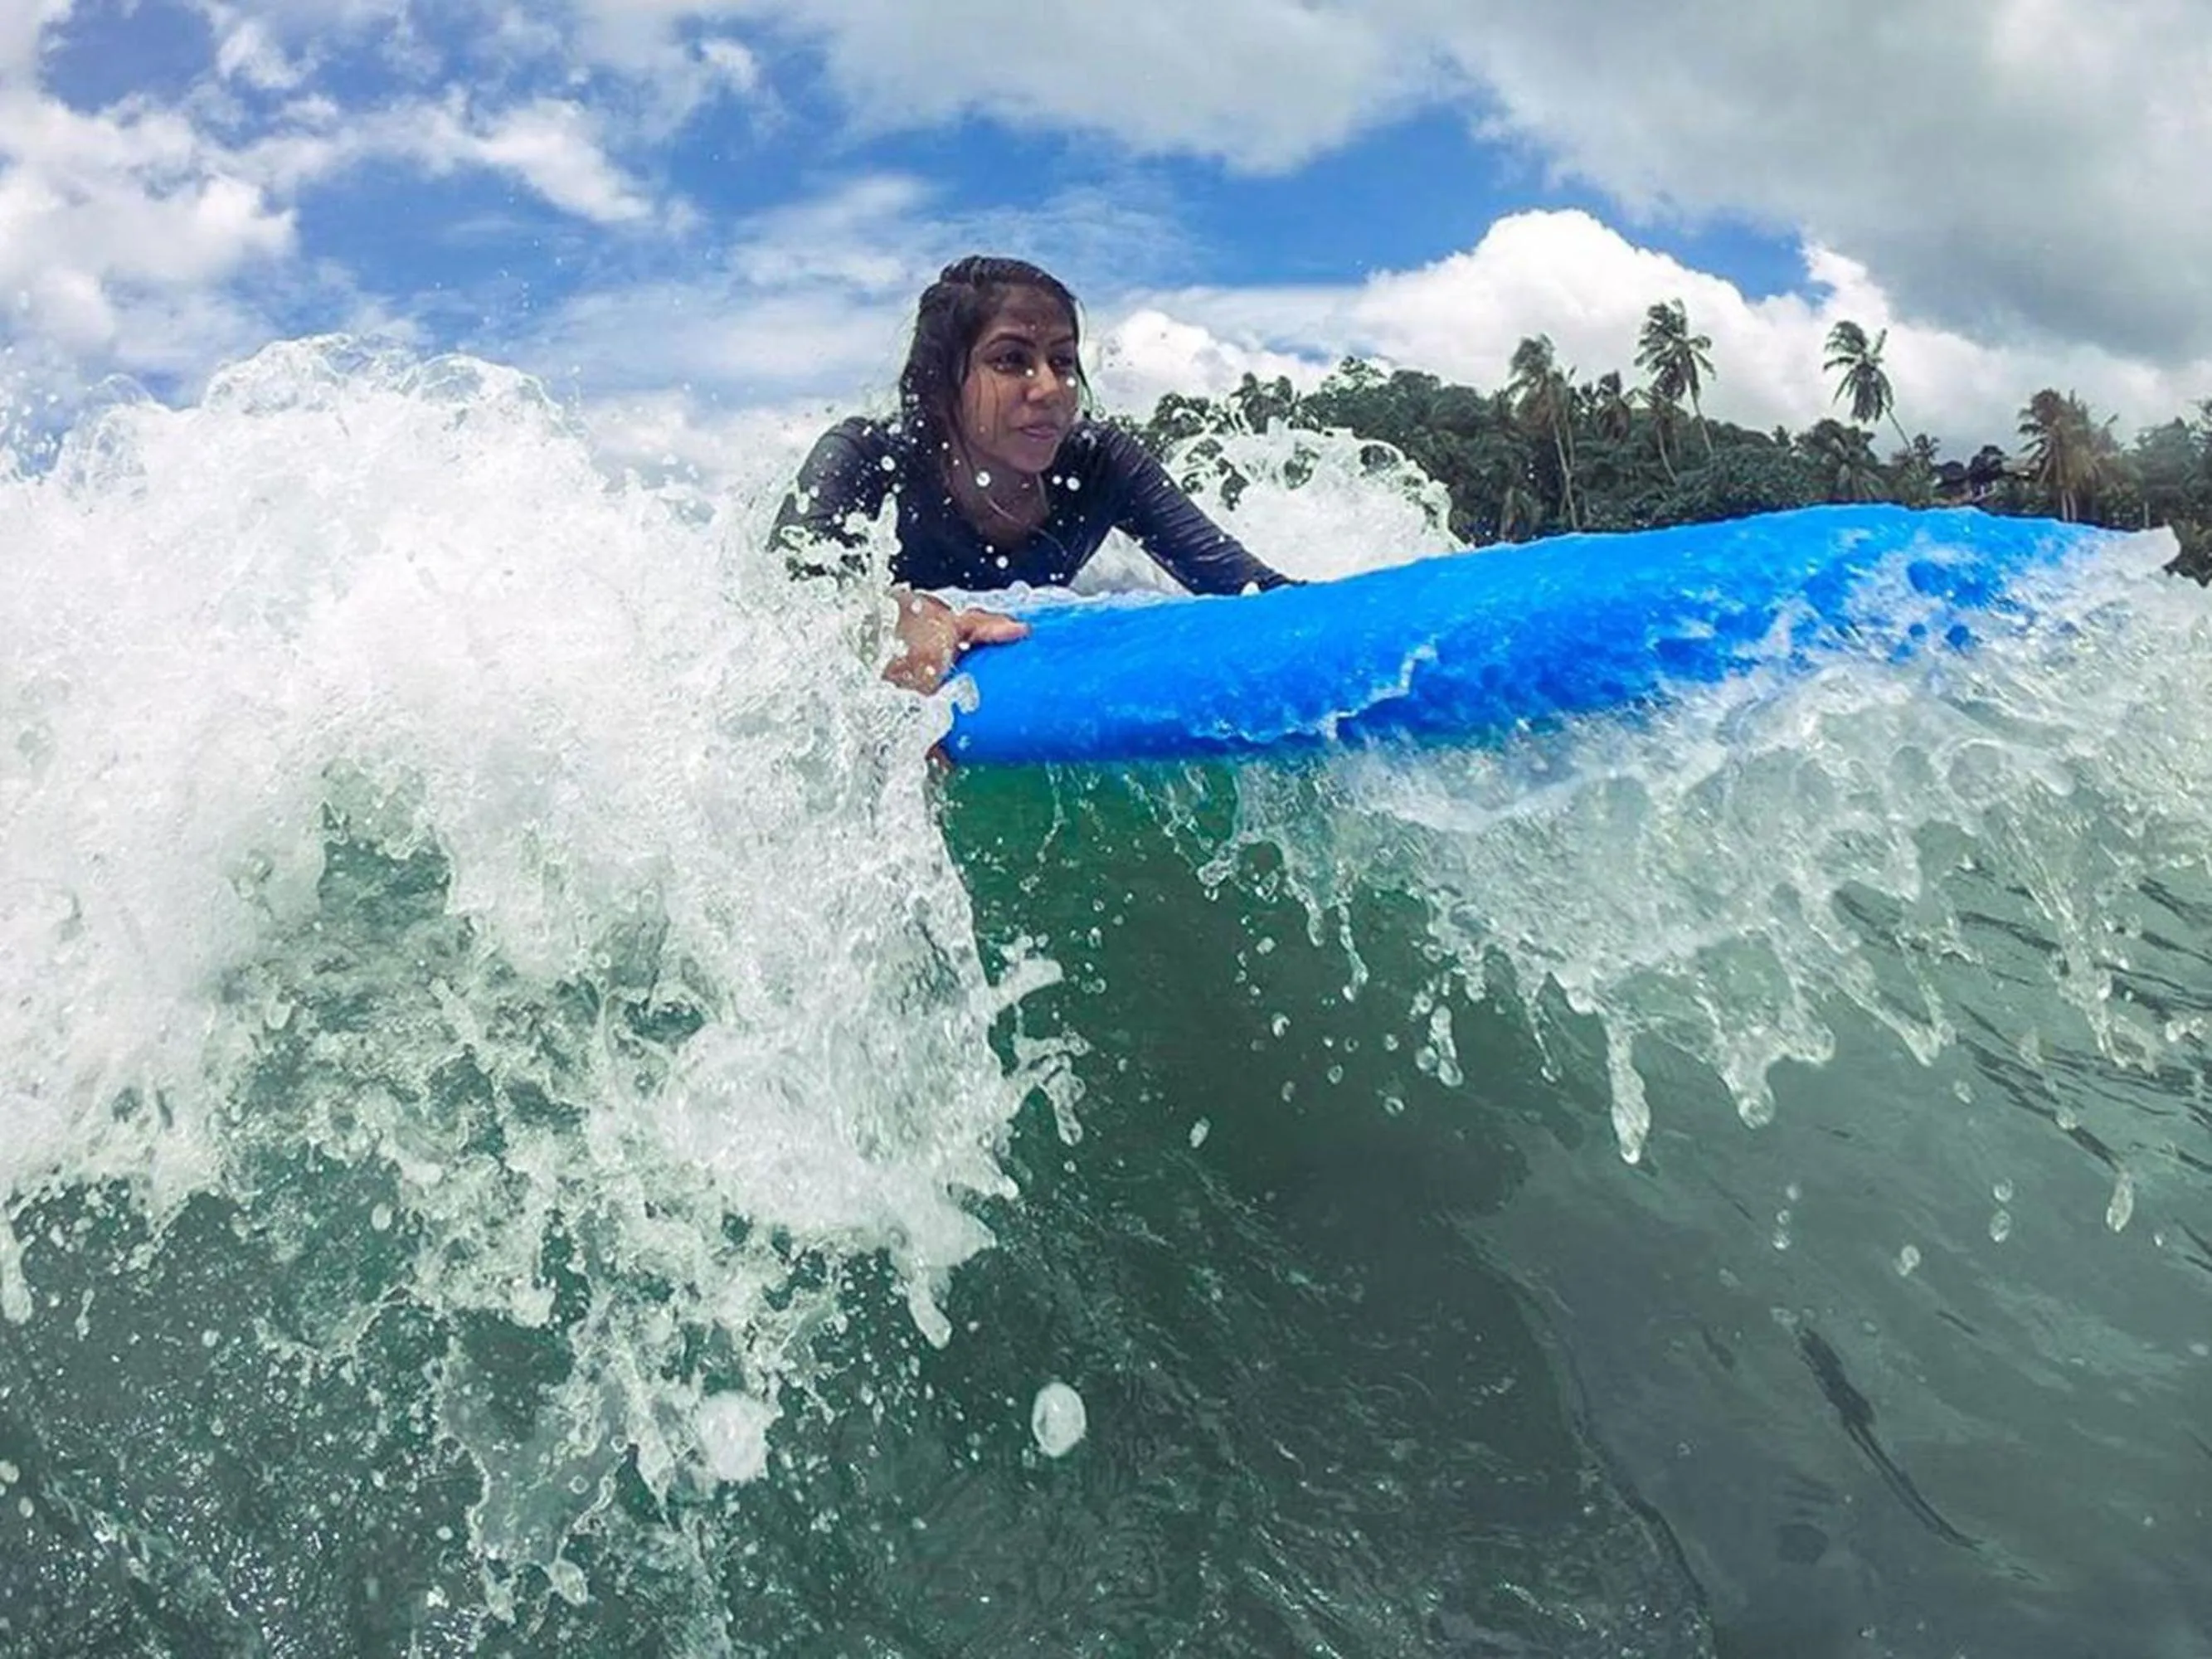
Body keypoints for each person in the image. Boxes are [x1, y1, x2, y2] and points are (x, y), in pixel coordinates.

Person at [772, 255, 1295, 691]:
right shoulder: (869, 457)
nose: (1049, 388)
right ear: (940, 384)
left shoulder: (1098, 463)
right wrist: (896, 615)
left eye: (1063, 362)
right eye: (1010, 360)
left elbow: (1253, 591)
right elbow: (782, 600)